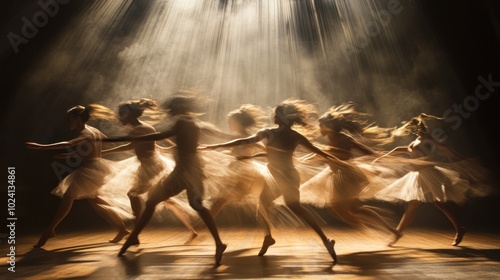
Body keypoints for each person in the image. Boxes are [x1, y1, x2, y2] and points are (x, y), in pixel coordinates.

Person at [200, 98, 341, 264]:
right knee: (285, 206)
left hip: (278, 176)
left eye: (276, 113)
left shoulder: (268, 132)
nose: (273, 114)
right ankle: (320, 240)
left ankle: (271, 236)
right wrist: (335, 161)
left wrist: (215, 146)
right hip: (288, 175)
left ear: (281, 117)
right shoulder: (295, 135)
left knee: (269, 204)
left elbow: (244, 141)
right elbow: (318, 151)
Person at [103, 93, 227, 265]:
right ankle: (218, 242)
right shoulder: (192, 122)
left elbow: (159, 136)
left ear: (177, 108)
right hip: (194, 168)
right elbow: (184, 142)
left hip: (184, 169)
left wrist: (117, 138)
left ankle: (133, 237)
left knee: (153, 202)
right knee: (196, 205)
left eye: (171, 108)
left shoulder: (182, 121)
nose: (169, 111)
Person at [26, 105, 130, 248]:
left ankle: (50, 230)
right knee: (96, 200)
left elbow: (69, 143)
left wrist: (42, 147)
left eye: (69, 119)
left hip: (91, 170)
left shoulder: (86, 133)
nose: (68, 122)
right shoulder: (93, 131)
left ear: (78, 119)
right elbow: (96, 146)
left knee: (69, 197)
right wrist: (72, 155)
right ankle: (122, 228)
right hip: (96, 168)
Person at [299, 102, 401, 242]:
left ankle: (383, 230)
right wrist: (302, 160)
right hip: (336, 176)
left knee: (351, 209)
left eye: (321, 125)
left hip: (347, 176)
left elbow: (364, 150)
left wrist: (379, 157)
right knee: (347, 209)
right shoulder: (331, 139)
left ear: (330, 127)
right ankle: (378, 230)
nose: (319, 128)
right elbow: (322, 154)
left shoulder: (344, 138)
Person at [100, 98, 198, 244]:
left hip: (151, 166)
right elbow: (134, 146)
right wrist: (105, 152)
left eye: (121, 114)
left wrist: (104, 149)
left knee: (133, 194)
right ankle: (192, 230)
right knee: (165, 199)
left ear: (130, 115)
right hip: (149, 165)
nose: (119, 117)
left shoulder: (141, 129)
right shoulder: (140, 128)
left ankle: (135, 234)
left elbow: (130, 144)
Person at [372, 113, 475, 246]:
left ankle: (459, 229)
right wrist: (381, 157)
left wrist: (459, 159)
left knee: (439, 203)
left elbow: (442, 148)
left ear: (420, 128)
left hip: (429, 174)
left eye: (416, 128)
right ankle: (397, 234)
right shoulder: (416, 141)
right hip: (419, 176)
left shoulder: (427, 139)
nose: (414, 130)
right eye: (414, 129)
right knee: (412, 206)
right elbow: (400, 149)